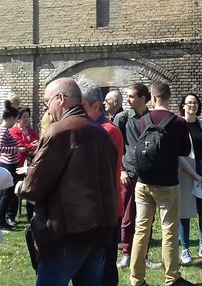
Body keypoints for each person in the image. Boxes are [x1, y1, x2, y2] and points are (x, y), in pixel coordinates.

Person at [21, 78, 118, 285]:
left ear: (61, 99)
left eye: (47, 102)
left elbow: (33, 187)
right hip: (99, 231)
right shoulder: (102, 132)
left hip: (67, 233)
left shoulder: (61, 131)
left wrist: (21, 186)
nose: (47, 109)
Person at [129, 81, 193, 286]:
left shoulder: (143, 120)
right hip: (167, 182)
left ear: (153, 98)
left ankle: (137, 279)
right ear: (169, 97)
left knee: (141, 230)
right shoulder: (178, 122)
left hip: (143, 182)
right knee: (169, 230)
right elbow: (185, 150)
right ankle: (171, 277)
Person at [77, 78, 125, 286]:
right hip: (95, 208)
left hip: (106, 209)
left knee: (105, 266)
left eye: (81, 107)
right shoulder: (92, 128)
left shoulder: (107, 130)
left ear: (96, 106)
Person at [114, 83, 160, 270]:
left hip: (148, 176)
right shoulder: (122, 118)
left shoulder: (152, 119)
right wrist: (122, 170)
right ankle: (126, 254)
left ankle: (144, 255)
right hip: (129, 174)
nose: (128, 99)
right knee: (127, 217)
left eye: (131, 96)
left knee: (147, 218)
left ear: (143, 98)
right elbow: (116, 147)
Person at [177, 93, 202, 264]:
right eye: (189, 103)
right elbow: (178, 154)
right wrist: (195, 175)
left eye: (195, 103)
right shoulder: (178, 126)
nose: (192, 106)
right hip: (186, 172)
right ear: (183, 106)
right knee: (184, 212)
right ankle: (185, 249)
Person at [10, 108, 39, 220]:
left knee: (30, 187)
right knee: (16, 189)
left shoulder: (31, 131)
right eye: (24, 117)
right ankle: (11, 215)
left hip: (30, 163)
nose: (26, 119)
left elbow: (38, 142)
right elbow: (21, 144)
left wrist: (30, 146)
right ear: (18, 119)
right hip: (18, 163)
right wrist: (31, 146)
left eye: (28, 116)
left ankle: (30, 214)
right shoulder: (14, 131)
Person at [0, 107, 21, 230]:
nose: (15, 122)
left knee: (5, 194)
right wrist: (17, 149)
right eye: (15, 119)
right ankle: (0, 221)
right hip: (7, 165)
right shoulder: (3, 130)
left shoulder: (5, 130)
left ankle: (0, 219)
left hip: (10, 164)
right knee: (6, 194)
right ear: (10, 118)